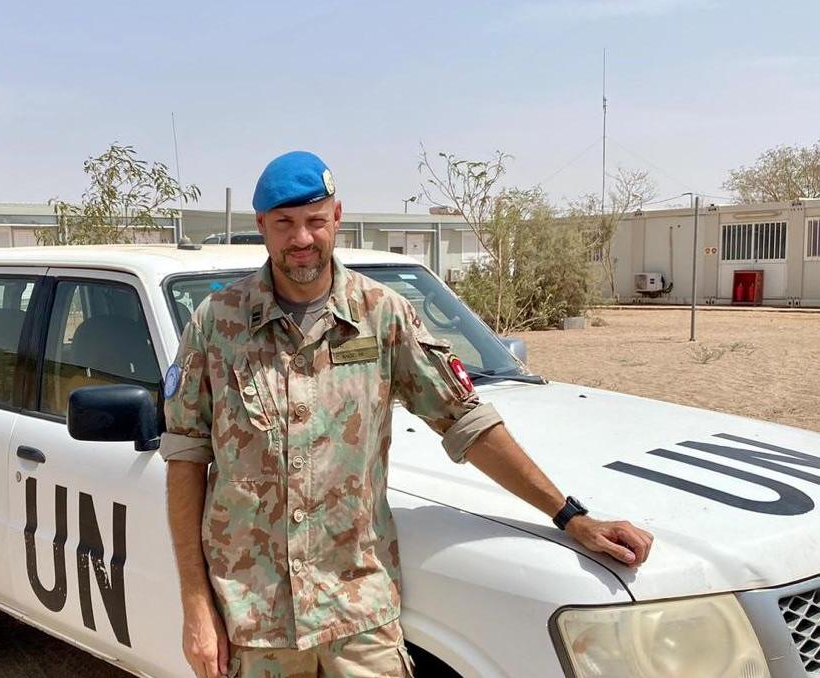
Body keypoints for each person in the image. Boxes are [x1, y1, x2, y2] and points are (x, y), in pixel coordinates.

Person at [160, 151, 653, 678]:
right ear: (261, 225)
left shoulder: (383, 315)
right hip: (253, 618)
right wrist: (195, 603)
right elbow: (186, 459)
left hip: (358, 613)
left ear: (336, 217)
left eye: (314, 220)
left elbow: (467, 423)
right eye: (284, 223)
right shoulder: (217, 325)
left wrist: (570, 516)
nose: (301, 238)